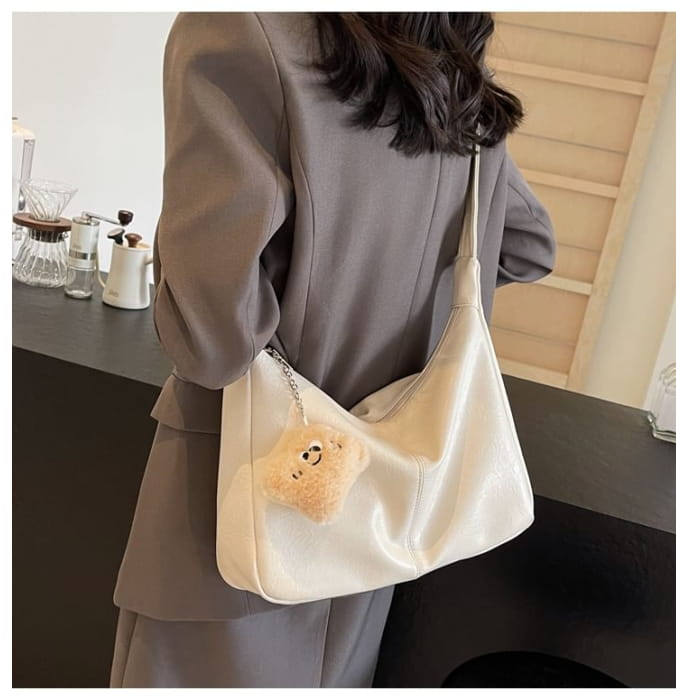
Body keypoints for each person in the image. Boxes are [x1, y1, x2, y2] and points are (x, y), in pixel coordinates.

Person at [109, 11, 556, 688]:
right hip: (372, 532)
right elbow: (529, 246)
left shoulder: (240, 30)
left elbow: (210, 342)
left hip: (235, 512)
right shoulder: (449, 73)